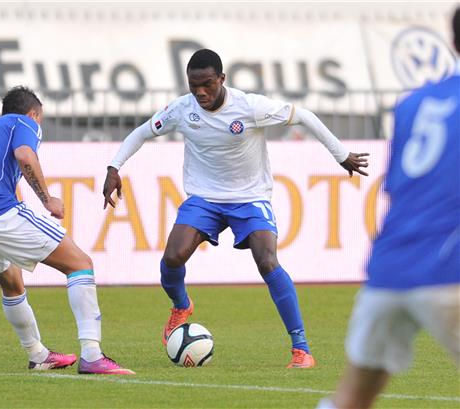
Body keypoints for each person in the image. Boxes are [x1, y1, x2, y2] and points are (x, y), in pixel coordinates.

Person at [103, 49, 369, 368]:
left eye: (208, 84)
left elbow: (304, 116)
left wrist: (340, 154)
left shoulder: (250, 106)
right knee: (171, 259)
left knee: (268, 262)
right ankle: (181, 306)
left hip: (250, 197)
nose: (200, 92)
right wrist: (114, 167)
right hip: (204, 197)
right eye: (194, 85)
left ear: (222, 79)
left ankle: (301, 349)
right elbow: (142, 132)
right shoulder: (181, 109)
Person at [0, 86, 134, 375]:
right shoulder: (23, 122)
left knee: (12, 283)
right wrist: (47, 199)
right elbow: (25, 156)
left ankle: (38, 354)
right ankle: (92, 354)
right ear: (34, 114)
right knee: (80, 264)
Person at [317, 8, 460, 409]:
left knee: (353, 396)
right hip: (449, 270)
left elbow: (399, 188)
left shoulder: (413, 104)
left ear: (452, 43)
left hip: (388, 270)